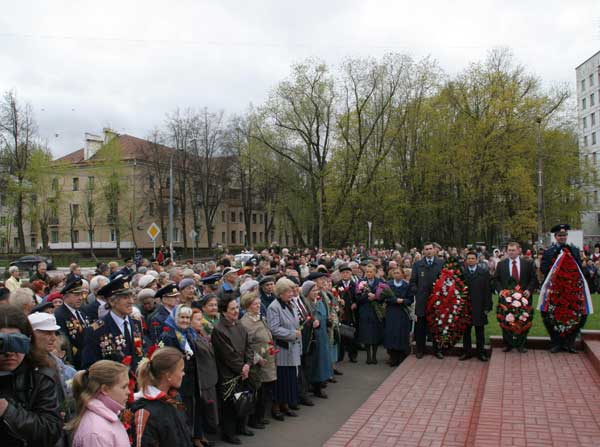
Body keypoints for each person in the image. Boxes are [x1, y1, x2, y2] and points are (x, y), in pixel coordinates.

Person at [0, 305, 63, 447]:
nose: (9, 352)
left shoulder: (40, 374)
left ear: (28, 341)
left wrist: (7, 410)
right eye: (2, 343)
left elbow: (51, 431)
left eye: (16, 342)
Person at [160, 305, 211, 447]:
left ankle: (196, 436)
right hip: (180, 379)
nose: (185, 320)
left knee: (195, 407)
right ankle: (187, 440)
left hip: (193, 377)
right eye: (182, 317)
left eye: (188, 318)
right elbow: (168, 359)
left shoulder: (188, 333)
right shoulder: (168, 335)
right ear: (175, 318)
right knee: (184, 411)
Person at [540, 224, 593, 353]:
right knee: (552, 316)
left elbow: (579, 268)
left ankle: (569, 342)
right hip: (555, 290)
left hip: (571, 290)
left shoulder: (573, 250)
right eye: (560, 235)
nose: (562, 237)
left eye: (564, 235)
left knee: (575, 315)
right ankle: (556, 342)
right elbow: (544, 269)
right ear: (555, 237)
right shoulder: (549, 252)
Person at [211, 295, 254, 445]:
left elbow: (249, 345)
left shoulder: (239, 324)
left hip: (244, 369)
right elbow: (227, 354)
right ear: (224, 311)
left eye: (237, 308)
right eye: (232, 309)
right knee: (229, 404)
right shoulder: (219, 329)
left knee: (243, 399)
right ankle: (228, 433)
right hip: (229, 373)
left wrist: (248, 364)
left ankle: (241, 426)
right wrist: (242, 367)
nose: (236, 311)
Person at [132, 347, 194, 447]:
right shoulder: (145, 411)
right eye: (181, 370)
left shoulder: (174, 397)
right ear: (168, 375)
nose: (184, 373)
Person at [82, 275, 144, 371]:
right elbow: (90, 366)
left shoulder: (136, 323)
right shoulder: (96, 330)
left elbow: (139, 352)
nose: (131, 301)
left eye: (131, 296)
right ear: (111, 301)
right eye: (125, 297)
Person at [67, 360, 131, 447]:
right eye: (124, 387)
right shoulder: (95, 433)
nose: (129, 392)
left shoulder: (106, 419)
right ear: (105, 389)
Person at [240, 291, 276, 429]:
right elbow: (245, 345)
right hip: (257, 363)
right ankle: (253, 419)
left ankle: (260, 417)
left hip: (268, 359)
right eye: (255, 304)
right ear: (248, 306)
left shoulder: (259, 317)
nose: (258, 306)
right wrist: (256, 358)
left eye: (259, 304)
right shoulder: (245, 322)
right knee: (257, 392)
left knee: (265, 391)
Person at [267, 277, 302, 419]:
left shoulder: (291, 304)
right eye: (288, 291)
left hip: (292, 348)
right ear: (280, 292)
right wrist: (292, 334)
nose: (292, 293)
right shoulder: (273, 307)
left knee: (290, 379)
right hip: (282, 349)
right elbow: (274, 329)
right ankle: (276, 408)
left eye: (292, 290)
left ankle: (286, 405)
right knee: (281, 380)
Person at [493, 241, 537, 353]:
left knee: (523, 320)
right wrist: (500, 291)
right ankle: (507, 344)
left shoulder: (527, 263)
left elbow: (533, 279)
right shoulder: (501, 264)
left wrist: (529, 290)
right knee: (506, 320)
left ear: (519, 250)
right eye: (509, 250)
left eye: (513, 250)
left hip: (524, 299)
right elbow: (496, 279)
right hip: (506, 299)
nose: (511, 252)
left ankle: (521, 344)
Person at [410, 243, 444, 359]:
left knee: (436, 326)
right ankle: (420, 349)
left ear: (434, 250)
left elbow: (445, 280)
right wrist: (417, 291)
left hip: (436, 300)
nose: (429, 251)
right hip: (422, 300)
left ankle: (437, 349)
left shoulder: (440, 263)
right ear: (423, 251)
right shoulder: (418, 265)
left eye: (430, 249)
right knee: (421, 326)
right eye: (426, 249)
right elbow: (413, 281)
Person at [190, 305, 219, 437]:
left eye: (201, 319)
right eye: (197, 319)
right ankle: (198, 437)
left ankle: (202, 435)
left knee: (208, 409)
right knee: (202, 409)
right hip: (202, 378)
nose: (201, 322)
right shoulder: (191, 337)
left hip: (210, 376)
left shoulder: (202, 333)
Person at [301, 280, 332, 398]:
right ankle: (313, 387)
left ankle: (319, 385)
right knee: (314, 364)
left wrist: (329, 321)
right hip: (313, 339)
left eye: (316, 290)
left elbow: (324, 317)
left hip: (323, 336)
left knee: (322, 362)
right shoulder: (306, 305)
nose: (316, 292)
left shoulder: (319, 302)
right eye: (313, 290)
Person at [459, 252, 492, 362]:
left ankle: (481, 353)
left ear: (477, 260)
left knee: (480, 331)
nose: (471, 260)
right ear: (466, 260)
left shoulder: (483, 272)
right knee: (466, 332)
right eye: (469, 258)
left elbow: (488, 291)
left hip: (480, 307)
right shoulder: (462, 274)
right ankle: (466, 352)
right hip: (466, 307)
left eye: (473, 258)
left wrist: (487, 307)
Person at [54, 279, 90, 369]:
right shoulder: (60, 315)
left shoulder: (82, 311)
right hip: (75, 361)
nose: (80, 298)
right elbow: (65, 343)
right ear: (66, 297)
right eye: (77, 295)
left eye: (81, 294)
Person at [383, 266, 414, 366]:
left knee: (401, 334)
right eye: (395, 273)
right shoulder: (388, 285)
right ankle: (392, 357)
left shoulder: (407, 285)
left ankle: (401, 356)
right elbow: (385, 298)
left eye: (398, 273)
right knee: (391, 333)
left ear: (402, 274)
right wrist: (394, 300)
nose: (396, 275)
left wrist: (403, 301)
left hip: (402, 312)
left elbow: (410, 300)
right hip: (391, 312)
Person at [356, 265, 385, 364]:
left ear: (374, 272)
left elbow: (384, 297)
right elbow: (358, 298)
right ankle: (368, 356)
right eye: (367, 272)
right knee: (367, 334)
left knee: (375, 334)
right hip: (365, 311)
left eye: (371, 272)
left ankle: (374, 356)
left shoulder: (380, 282)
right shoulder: (361, 282)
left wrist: (376, 297)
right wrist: (366, 296)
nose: (368, 274)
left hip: (376, 312)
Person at [334, 264, 358, 363]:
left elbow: (358, 296)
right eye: (343, 273)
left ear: (351, 274)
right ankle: (340, 356)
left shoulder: (355, 284)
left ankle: (352, 355)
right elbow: (334, 297)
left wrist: (356, 303)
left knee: (352, 334)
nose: (345, 274)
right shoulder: (337, 285)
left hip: (352, 313)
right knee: (341, 335)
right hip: (342, 313)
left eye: (347, 273)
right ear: (340, 274)